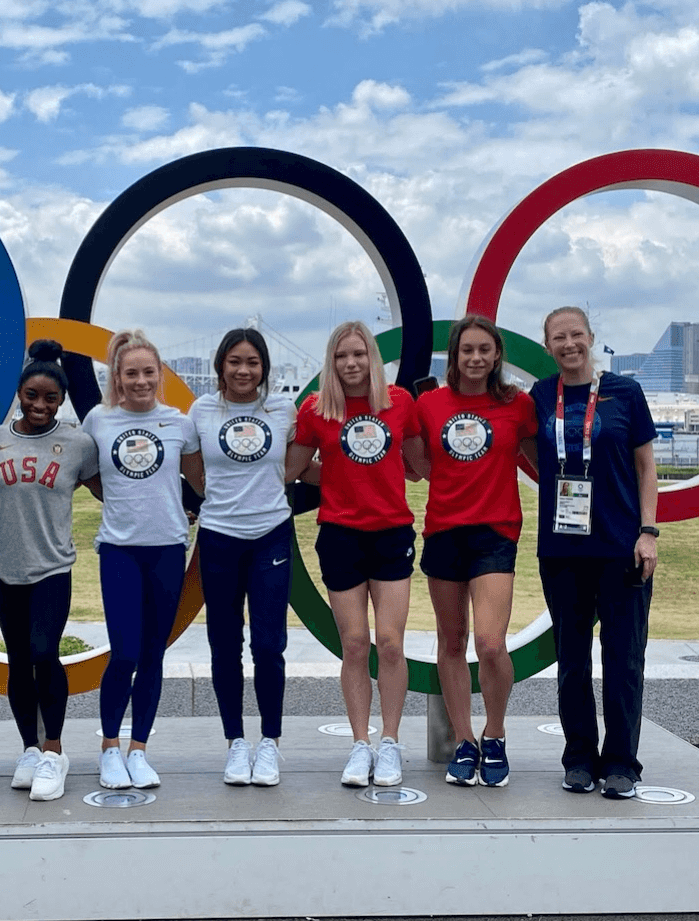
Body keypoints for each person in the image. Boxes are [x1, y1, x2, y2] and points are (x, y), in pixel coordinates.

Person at [290, 320, 425, 789]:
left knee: (389, 642)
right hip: (340, 535)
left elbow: (418, 469)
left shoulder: (399, 403)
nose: (350, 364)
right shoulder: (316, 409)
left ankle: (389, 742)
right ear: (332, 362)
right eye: (341, 356)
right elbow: (294, 467)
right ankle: (359, 743)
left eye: (359, 355)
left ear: (373, 358)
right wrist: (334, 479)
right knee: (353, 645)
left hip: (391, 533)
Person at [532, 305, 659, 801]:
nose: (569, 344)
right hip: (562, 549)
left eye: (576, 334)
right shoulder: (542, 395)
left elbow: (647, 468)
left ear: (591, 337)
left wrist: (648, 532)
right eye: (558, 338)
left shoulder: (625, 393)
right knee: (572, 660)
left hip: (621, 547)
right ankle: (580, 758)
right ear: (547, 346)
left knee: (624, 658)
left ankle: (623, 762)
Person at [411, 313, 537, 789]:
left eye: (485, 350)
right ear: (455, 355)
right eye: (468, 350)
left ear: (497, 355)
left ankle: (495, 734)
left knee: (489, 643)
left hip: (496, 532)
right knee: (450, 642)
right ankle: (464, 740)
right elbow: (420, 467)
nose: (477, 358)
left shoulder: (516, 404)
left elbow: (543, 463)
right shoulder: (430, 404)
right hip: (444, 531)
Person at [83, 328, 202, 789]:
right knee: (124, 652)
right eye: (130, 373)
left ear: (160, 375)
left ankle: (139, 750)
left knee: (153, 654)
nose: (140, 381)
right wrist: (117, 500)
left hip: (169, 548)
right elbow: (90, 476)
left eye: (148, 372)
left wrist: (186, 508)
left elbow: (199, 481)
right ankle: (109, 748)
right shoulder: (98, 419)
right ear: (117, 376)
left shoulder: (180, 424)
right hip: (119, 550)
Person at [0, 338, 101, 803]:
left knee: (43, 653)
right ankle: (29, 749)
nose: (39, 404)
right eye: (31, 395)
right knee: (17, 661)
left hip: (52, 567)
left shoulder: (77, 443)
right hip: (4, 567)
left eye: (50, 398)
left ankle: (54, 750)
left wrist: (176, 507)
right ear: (19, 393)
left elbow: (108, 491)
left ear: (62, 400)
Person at [189, 327, 296, 787]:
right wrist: (221, 502)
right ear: (220, 366)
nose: (243, 370)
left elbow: (297, 463)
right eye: (235, 361)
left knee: (269, 645)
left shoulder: (283, 410)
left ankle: (269, 742)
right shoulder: (201, 411)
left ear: (264, 368)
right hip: (218, 537)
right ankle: (235, 742)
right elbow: (195, 474)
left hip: (271, 533)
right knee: (224, 643)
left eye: (252, 362)